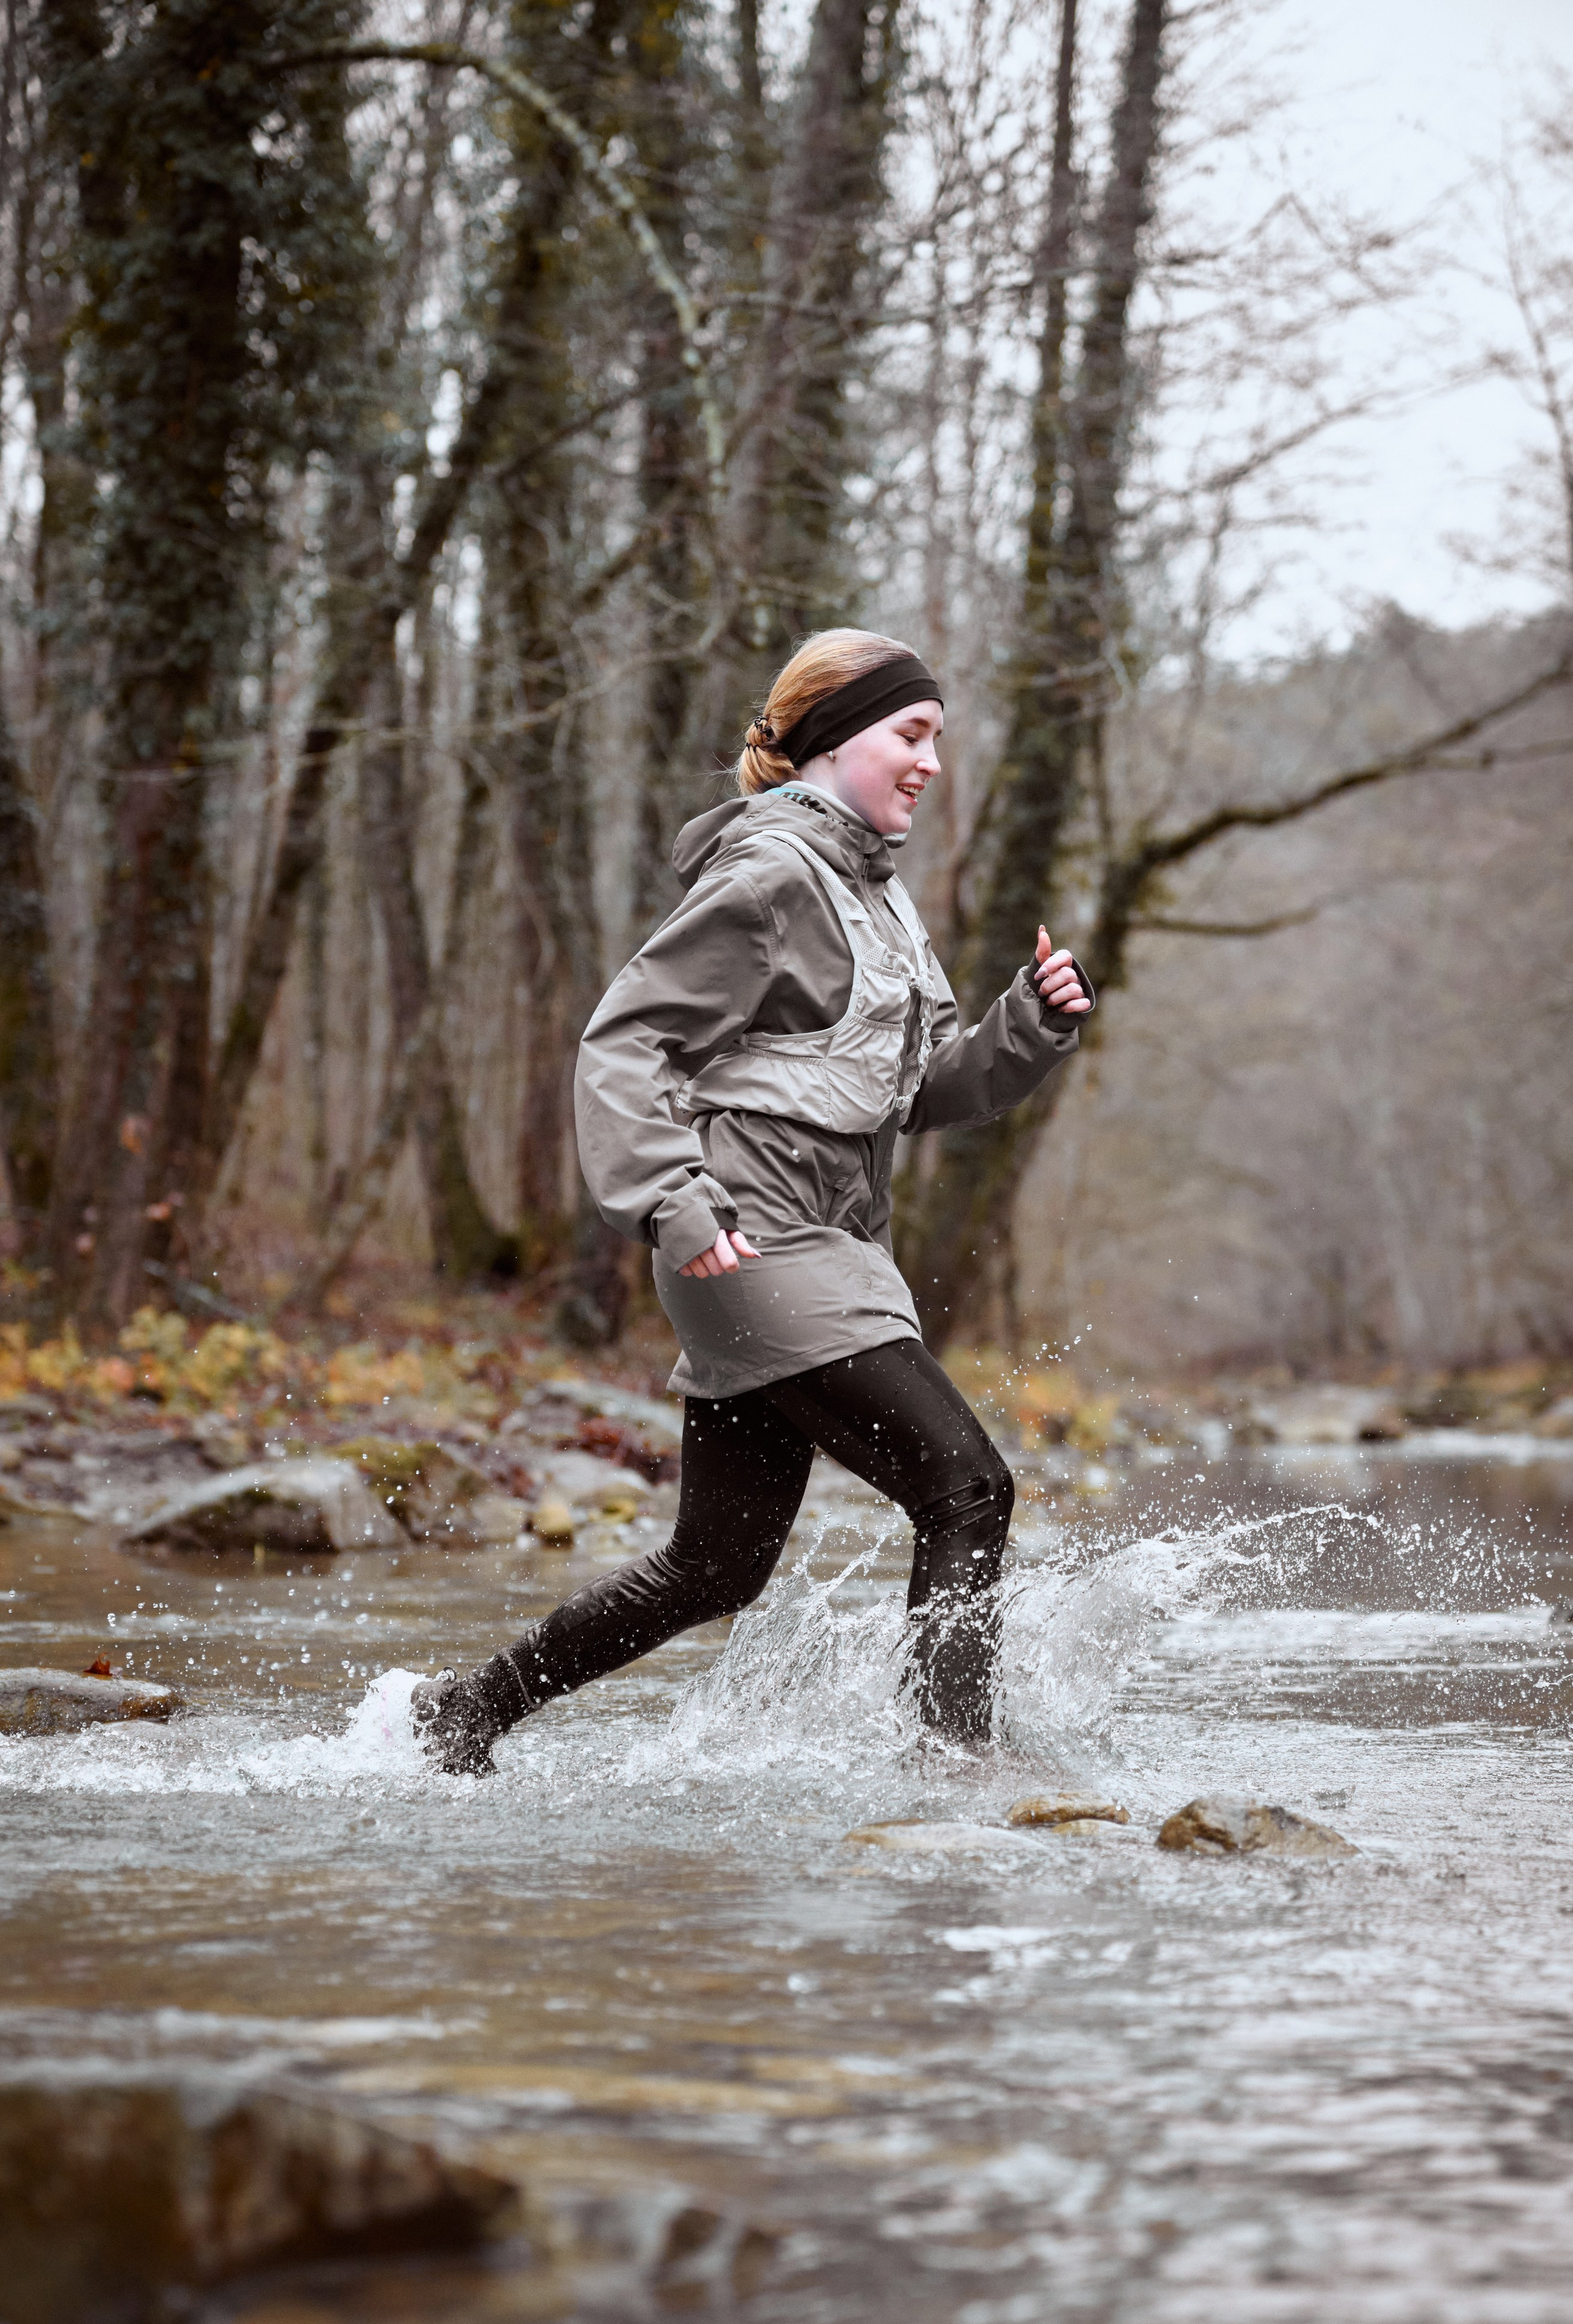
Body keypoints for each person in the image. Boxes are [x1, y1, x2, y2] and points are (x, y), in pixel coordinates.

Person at [411, 629, 1093, 1775]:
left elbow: (915, 1094)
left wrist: (1030, 1022)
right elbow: (626, 1043)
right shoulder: (772, 876)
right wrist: (672, 1199)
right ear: (833, 740)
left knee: (716, 1568)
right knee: (968, 1488)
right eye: (911, 736)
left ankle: (465, 1712)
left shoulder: (875, 895)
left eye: (936, 741)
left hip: (824, 1244)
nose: (931, 763)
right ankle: (952, 1776)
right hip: (750, 1238)